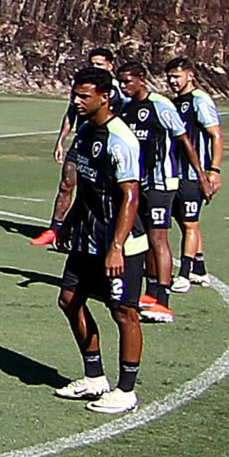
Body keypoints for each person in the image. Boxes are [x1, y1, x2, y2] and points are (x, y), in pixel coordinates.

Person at [51, 68, 147, 416]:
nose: (76, 101)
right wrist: (65, 225)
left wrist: (117, 246)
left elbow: (130, 197)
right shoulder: (86, 132)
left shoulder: (120, 138)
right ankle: (94, 377)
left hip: (119, 243)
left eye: (83, 96)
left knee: (124, 312)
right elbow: (87, 189)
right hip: (86, 238)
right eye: (74, 95)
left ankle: (126, 390)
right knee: (68, 301)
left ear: (104, 97)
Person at [116, 63, 199, 324]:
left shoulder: (160, 105)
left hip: (161, 185)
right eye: (121, 82)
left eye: (128, 81)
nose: (124, 86)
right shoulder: (125, 109)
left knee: (158, 239)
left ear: (142, 80)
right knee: (141, 239)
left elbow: (184, 140)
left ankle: (163, 300)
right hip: (137, 184)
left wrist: (202, 175)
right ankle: (150, 291)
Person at [32, 46, 120, 248]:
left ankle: (92, 231)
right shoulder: (82, 87)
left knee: (94, 190)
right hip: (82, 142)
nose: (95, 67)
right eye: (92, 63)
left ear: (110, 65)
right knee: (66, 184)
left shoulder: (119, 90)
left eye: (99, 63)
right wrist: (61, 141)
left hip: (105, 146)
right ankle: (54, 229)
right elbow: (71, 113)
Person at [164, 57, 224, 290]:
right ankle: (199, 269)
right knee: (186, 222)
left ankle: (184, 274)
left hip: (192, 174)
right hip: (174, 173)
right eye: (170, 77)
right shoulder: (176, 102)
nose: (172, 81)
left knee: (189, 224)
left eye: (177, 76)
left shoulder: (199, 100)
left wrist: (214, 171)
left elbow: (216, 135)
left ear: (191, 76)